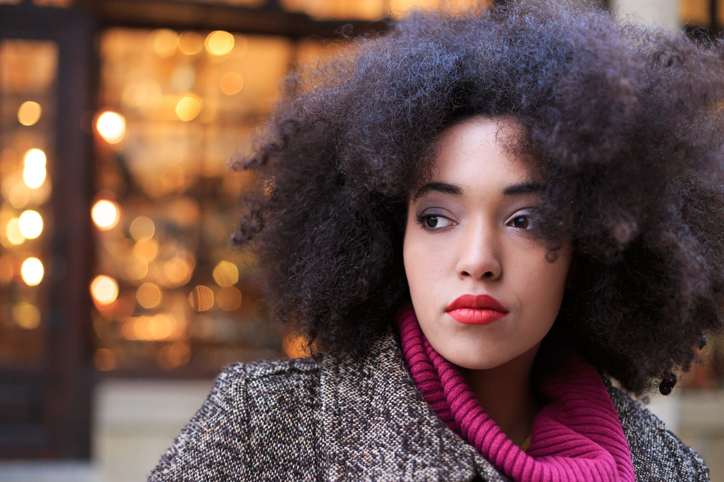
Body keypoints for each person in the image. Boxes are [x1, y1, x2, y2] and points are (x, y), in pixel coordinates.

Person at [150, 1, 724, 480]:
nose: (477, 262)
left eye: (525, 221)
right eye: (435, 218)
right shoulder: (265, 427)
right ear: (384, 235)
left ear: (587, 251)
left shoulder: (668, 469)